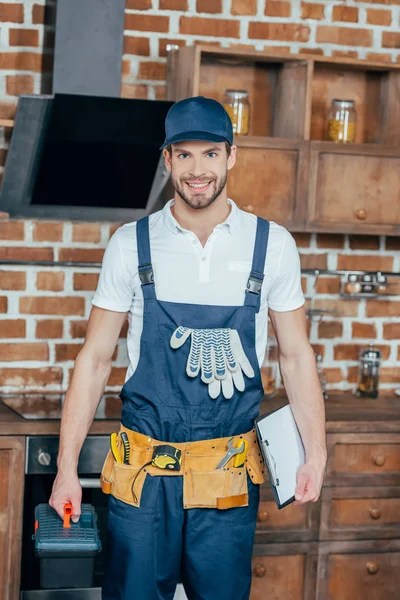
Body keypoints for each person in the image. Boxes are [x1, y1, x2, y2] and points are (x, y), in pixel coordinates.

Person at [50, 96, 327, 600]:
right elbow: (93, 360)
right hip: (143, 476)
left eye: (210, 154)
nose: (198, 170)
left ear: (231, 156)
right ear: (168, 160)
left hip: (227, 479)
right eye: (184, 155)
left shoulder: (272, 245)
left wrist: (317, 452)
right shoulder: (131, 244)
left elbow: (296, 356)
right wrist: (66, 469)